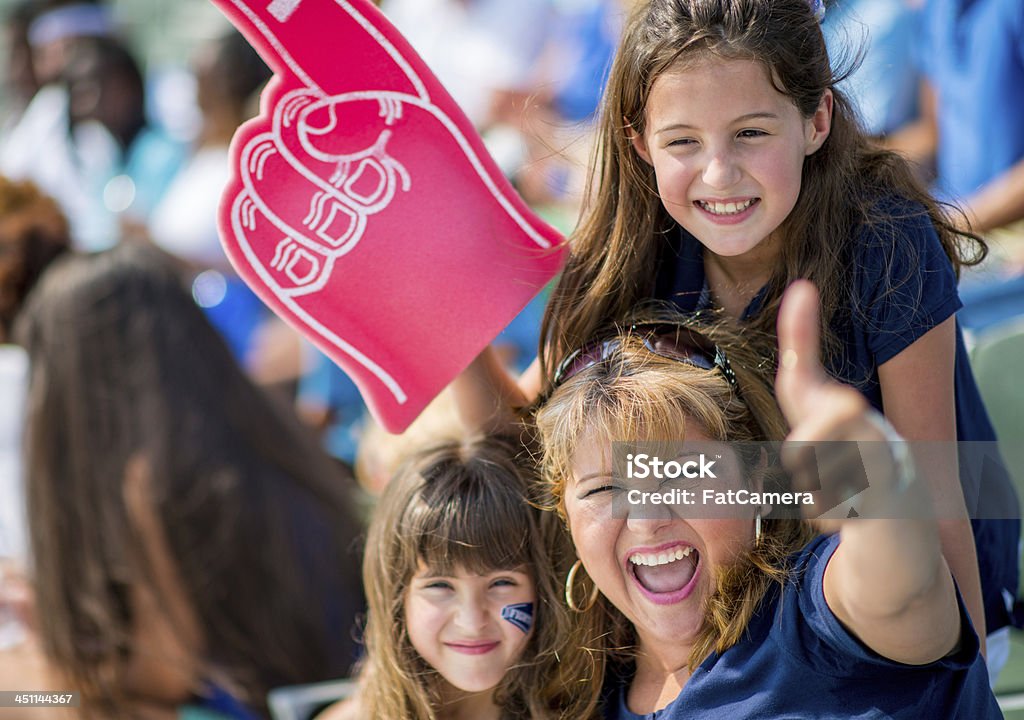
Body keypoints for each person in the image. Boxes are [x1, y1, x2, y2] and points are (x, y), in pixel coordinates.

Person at [454, 0, 1016, 674]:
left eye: (750, 133)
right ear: (640, 144)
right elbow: (525, 449)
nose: (718, 174)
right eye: (683, 142)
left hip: (903, 614)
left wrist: (965, 678)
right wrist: (446, 329)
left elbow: (937, 490)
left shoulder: (886, 237)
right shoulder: (627, 253)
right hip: (729, 617)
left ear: (815, 121)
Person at [532, 281, 1001, 718]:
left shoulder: (813, 618)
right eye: (604, 489)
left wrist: (879, 492)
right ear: (565, 515)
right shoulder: (576, 694)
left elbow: (904, 590)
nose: (647, 519)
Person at [14, 244, 364, 719]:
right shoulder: (252, 432)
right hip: (327, 688)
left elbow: (156, 681)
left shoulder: (150, 481)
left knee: (35, 698)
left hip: (257, 708)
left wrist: (34, 655)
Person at [320, 436, 597, 720]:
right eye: (440, 586)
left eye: (501, 583)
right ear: (395, 595)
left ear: (543, 588)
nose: (472, 621)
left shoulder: (588, 709)